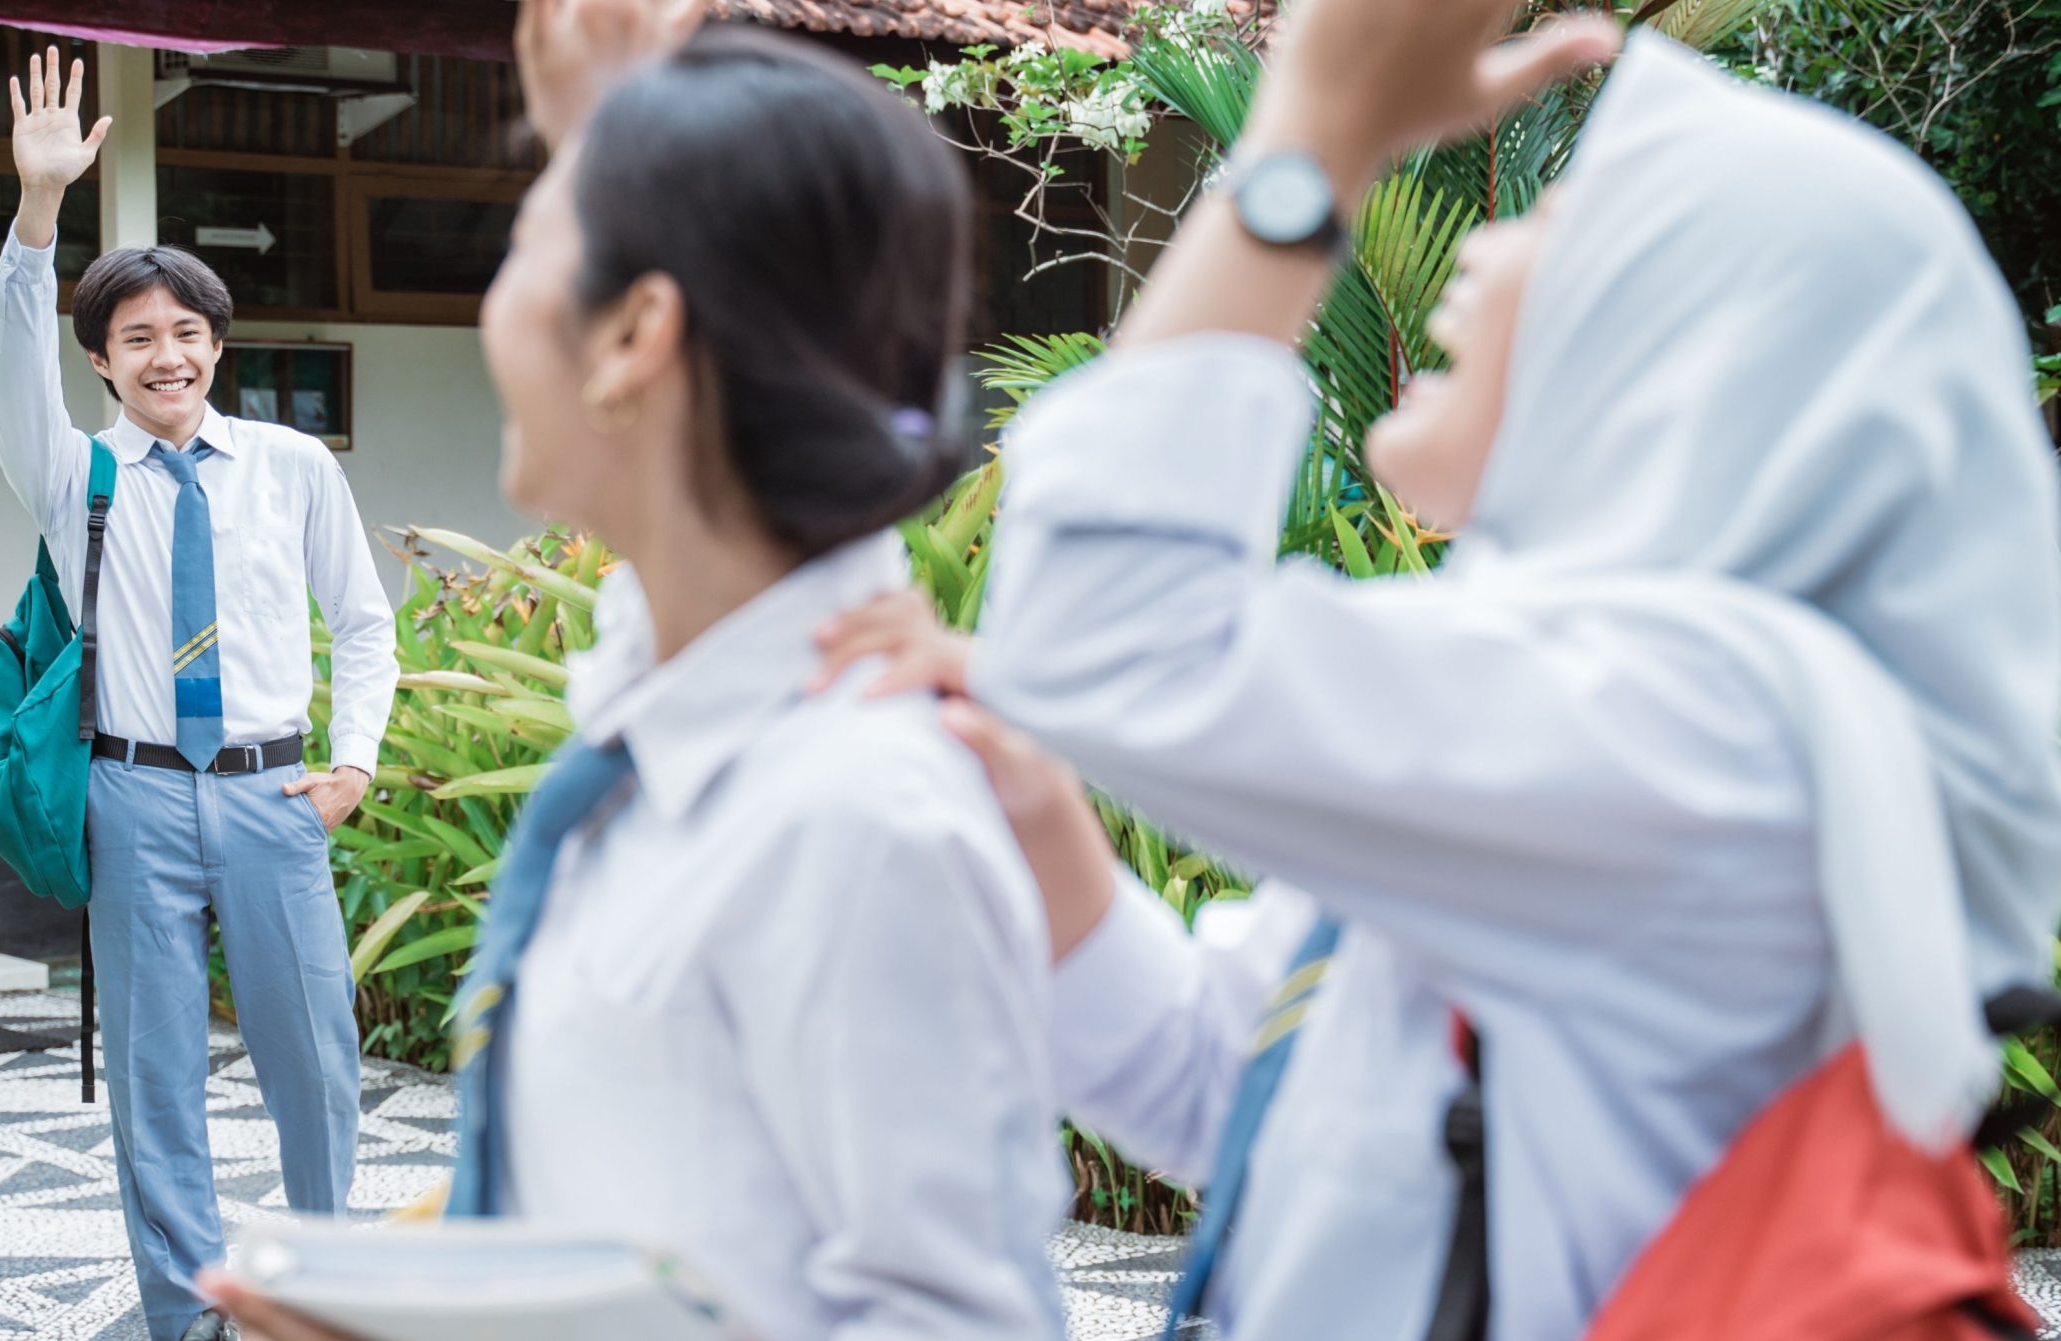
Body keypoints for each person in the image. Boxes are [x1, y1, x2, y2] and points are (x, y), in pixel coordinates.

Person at [812, 1, 2061, 1337]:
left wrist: (1314, 140)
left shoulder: (1694, 729)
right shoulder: (1584, 716)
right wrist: (1048, 822)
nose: (1486, 244)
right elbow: (1225, 1085)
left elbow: (1109, 625)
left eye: (1567, 228)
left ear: (1689, 359)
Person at [203, 6, 1072, 1340]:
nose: (492, 309)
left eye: (523, 250)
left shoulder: (854, 817)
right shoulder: (673, 718)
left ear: (634, 338)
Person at [0, 48, 400, 1341]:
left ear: (217, 344)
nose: (167, 355)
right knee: (156, 1082)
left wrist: (358, 760)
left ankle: (322, 1293)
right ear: (102, 364)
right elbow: (5, 367)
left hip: (278, 793)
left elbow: (365, 621)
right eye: (136, 339)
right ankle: (185, 1314)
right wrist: (39, 214)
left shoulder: (288, 467)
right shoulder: (72, 476)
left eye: (185, 333)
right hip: (135, 795)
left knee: (317, 1065)